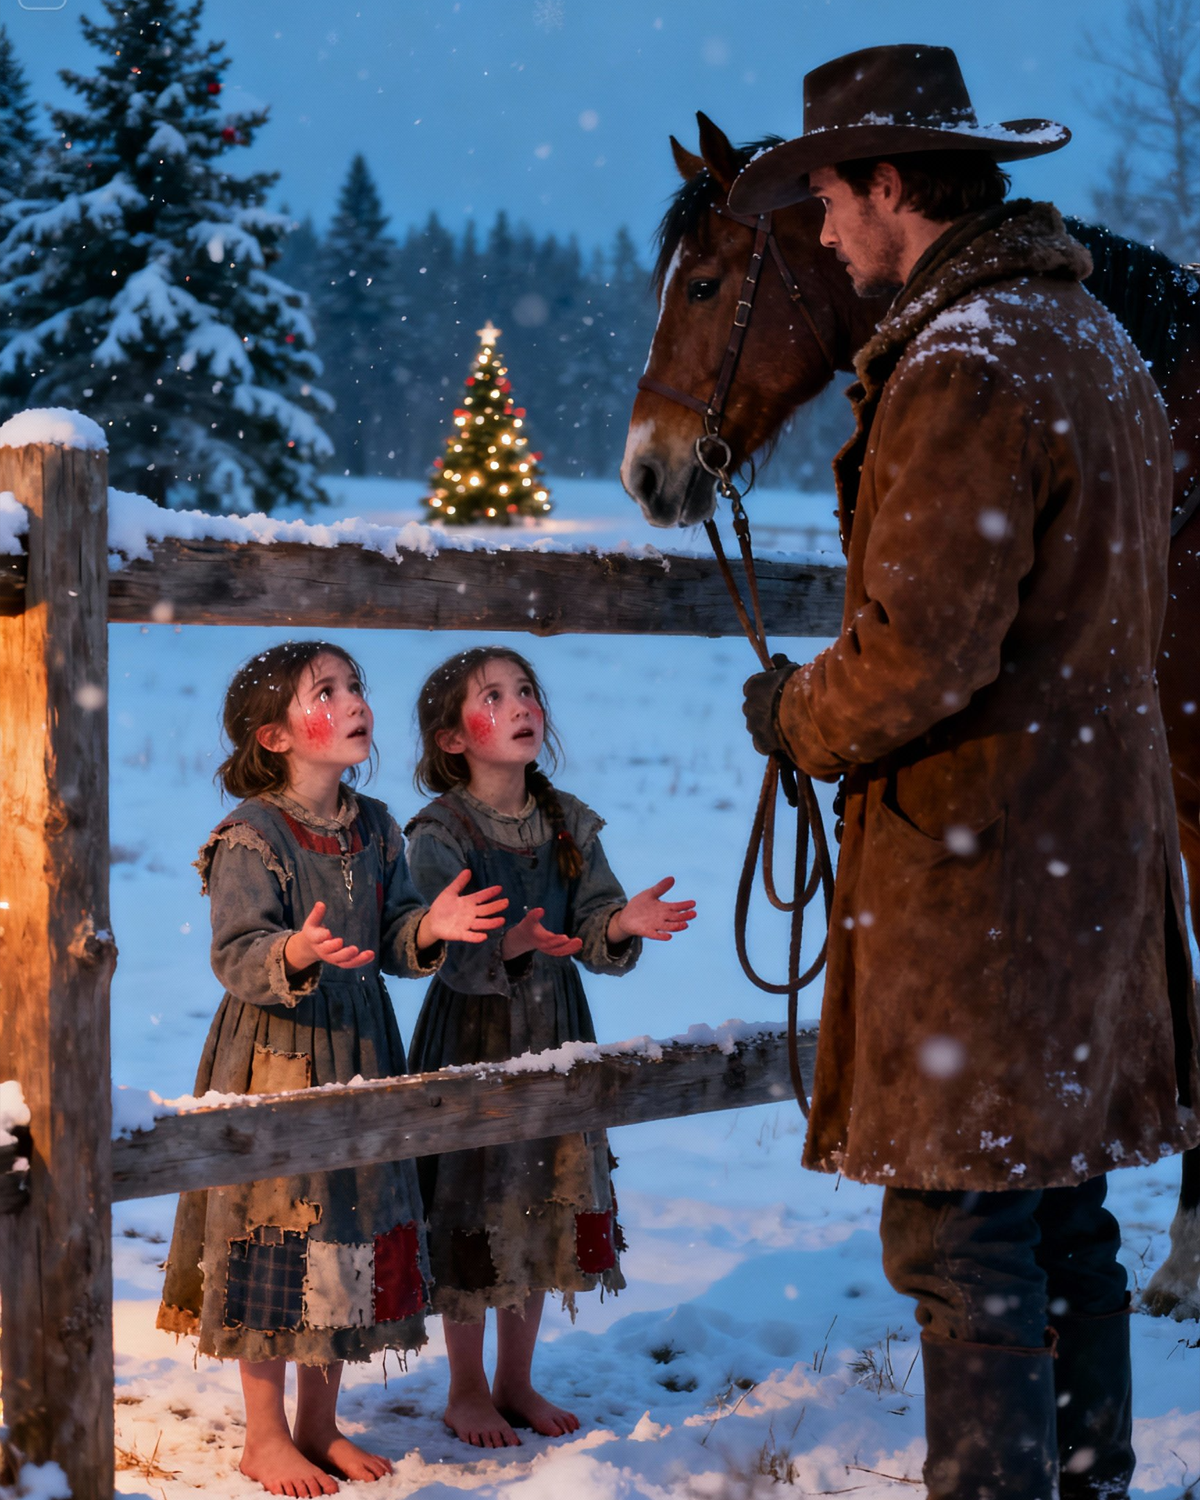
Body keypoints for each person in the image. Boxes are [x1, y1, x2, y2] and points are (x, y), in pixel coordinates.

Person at [731, 44, 1200, 1500]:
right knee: (1062, 1223)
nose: (819, 231)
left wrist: (795, 715)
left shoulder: (965, 367)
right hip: (1091, 871)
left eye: (826, 197)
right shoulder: (1097, 348)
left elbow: (922, 656)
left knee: (961, 1241)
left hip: (983, 883)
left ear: (890, 184)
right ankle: (1085, 1484)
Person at [157, 640, 509, 1498]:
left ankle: (320, 1425)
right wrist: (297, 948)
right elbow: (238, 953)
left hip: (359, 1047)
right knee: (275, 1231)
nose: (355, 700)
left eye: (355, 685)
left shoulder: (377, 825)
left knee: (343, 1229)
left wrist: (428, 928)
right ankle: (266, 1434)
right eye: (329, 690)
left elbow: (392, 935)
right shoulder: (251, 835)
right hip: (276, 1055)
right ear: (276, 736)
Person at [405, 645, 696, 1449]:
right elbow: (435, 939)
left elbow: (593, 919)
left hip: (556, 1034)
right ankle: (465, 1387)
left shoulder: (568, 819)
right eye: (492, 696)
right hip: (473, 1035)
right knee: (471, 1199)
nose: (520, 705)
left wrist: (620, 924)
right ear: (452, 739)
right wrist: (505, 945)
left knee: (539, 1194)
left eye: (526, 690)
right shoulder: (440, 832)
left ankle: (516, 1378)